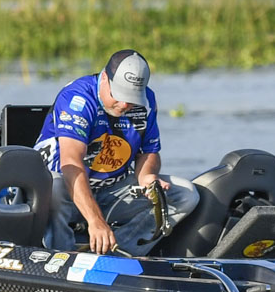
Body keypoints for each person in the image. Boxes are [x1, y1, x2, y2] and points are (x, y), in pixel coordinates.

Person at [33, 50, 199, 256]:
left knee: (186, 194)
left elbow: (149, 152)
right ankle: (62, 255)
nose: (124, 105)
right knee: (55, 187)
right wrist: (95, 221)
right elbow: (71, 163)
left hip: (111, 190)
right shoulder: (77, 99)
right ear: (105, 78)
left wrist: (147, 176)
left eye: (132, 99)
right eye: (118, 96)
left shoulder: (146, 102)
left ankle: (118, 253)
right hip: (63, 189)